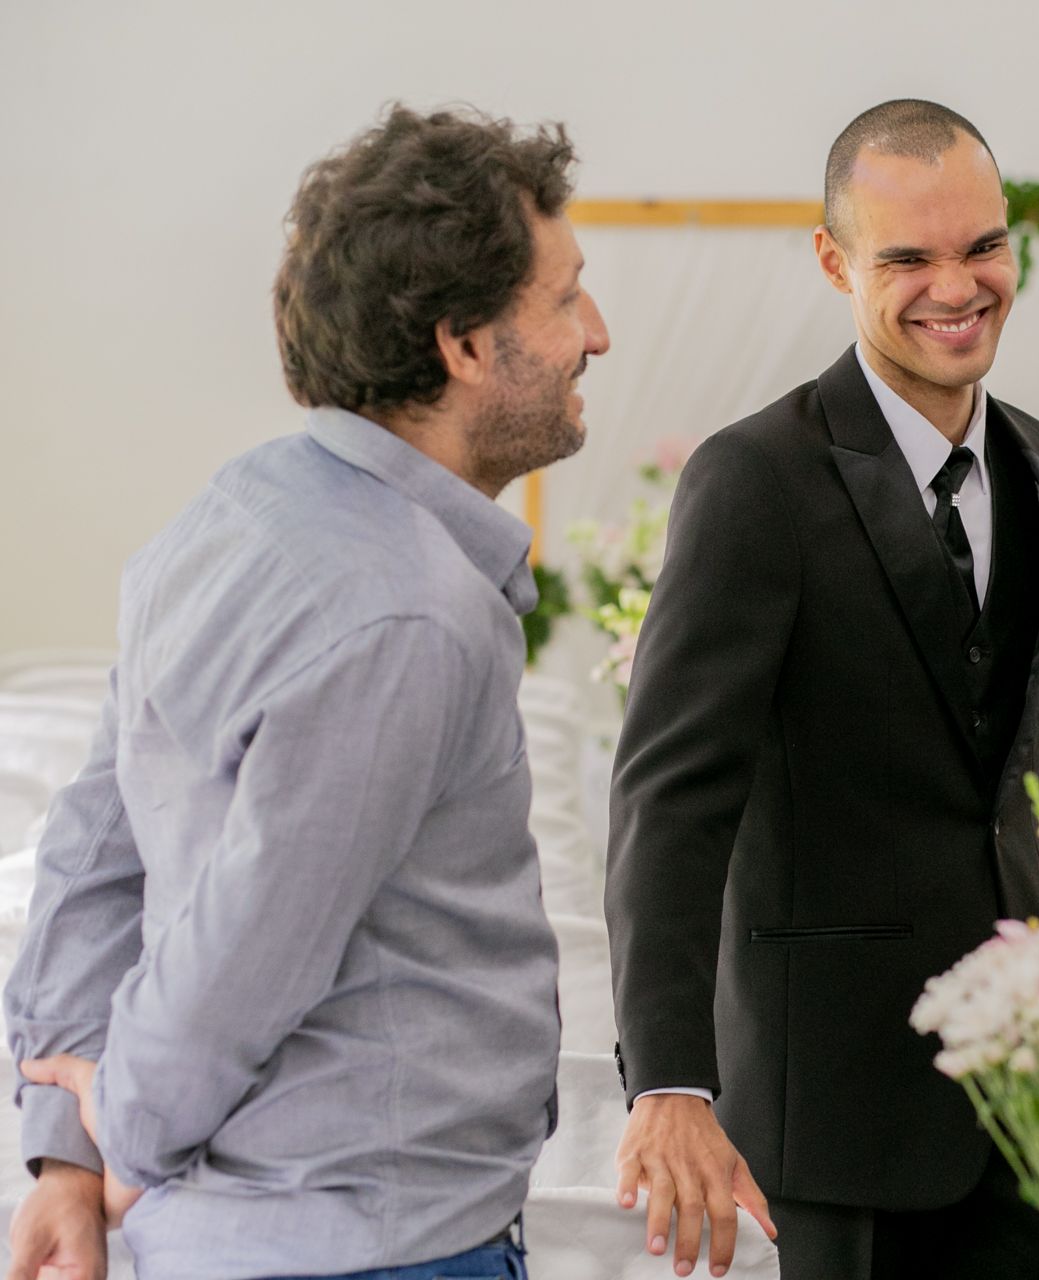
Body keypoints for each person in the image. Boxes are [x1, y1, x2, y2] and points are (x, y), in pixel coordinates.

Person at [4, 104, 610, 1280]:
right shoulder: (407, 620)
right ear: (465, 345)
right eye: (565, 297)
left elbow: (93, 842)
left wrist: (64, 1154)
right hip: (372, 1251)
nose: (597, 332)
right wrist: (119, 1119)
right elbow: (238, 960)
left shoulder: (230, 515)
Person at [602, 99, 1039, 1280]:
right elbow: (670, 796)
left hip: (1025, 1110)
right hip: (825, 1114)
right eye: (908, 258)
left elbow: (1038, 760)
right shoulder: (754, 477)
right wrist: (670, 1075)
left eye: (982, 246)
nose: (957, 286)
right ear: (835, 261)